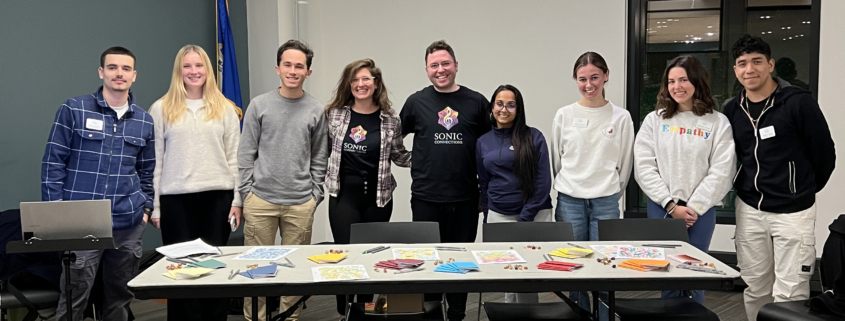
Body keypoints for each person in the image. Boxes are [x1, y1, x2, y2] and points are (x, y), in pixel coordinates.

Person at [723, 34, 835, 321]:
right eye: (742, 63)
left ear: (770, 64)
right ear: (735, 70)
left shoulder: (798, 103)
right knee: (755, 286)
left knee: (791, 290)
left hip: (793, 211)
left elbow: (824, 154)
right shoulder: (731, 110)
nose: (750, 69)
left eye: (757, 61)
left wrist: (802, 189)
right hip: (750, 209)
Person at [41, 46, 154, 321]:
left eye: (126, 69)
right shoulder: (74, 109)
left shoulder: (144, 120)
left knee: (119, 297)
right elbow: (52, 163)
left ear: (134, 76)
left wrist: (146, 209)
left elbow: (148, 171)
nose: (119, 73)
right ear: (101, 72)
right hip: (81, 222)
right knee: (74, 296)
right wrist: (56, 214)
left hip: (127, 223)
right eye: (113, 67)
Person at [148, 44, 242, 321]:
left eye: (199, 65)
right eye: (187, 66)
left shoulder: (225, 108)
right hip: (176, 201)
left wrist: (237, 200)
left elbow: (235, 159)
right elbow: (157, 161)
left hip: (218, 199)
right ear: (179, 70)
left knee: (213, 271)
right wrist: (155, 206)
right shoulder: (161, 108)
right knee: (180, 273)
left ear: (208, 70)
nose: (193, 71)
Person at [634, 55, 736, 306]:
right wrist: (670, 205)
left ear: (696, 81)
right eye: (671, 81)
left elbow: (723, 170)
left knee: (694, 273)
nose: (677, 86)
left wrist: (694, 208)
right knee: (666, 273)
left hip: (700, 211)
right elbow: (644, 166)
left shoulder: (717, 121)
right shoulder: (655, 120)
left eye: (683, 80)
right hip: (662, 208)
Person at [238, 39, 328, 321]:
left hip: (300, 203)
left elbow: (320, 157)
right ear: (277, 68)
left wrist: (315, 196)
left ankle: (290, 318)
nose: (293, 70)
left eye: (299, 66)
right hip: (260, 201)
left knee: (295, 270)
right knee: (256, 270)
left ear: (308, 72)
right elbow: (245, 153)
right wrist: (246, 193)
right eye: (287, 64)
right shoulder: (259, 105)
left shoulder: (315, 109)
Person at [399, 39, 489, 321]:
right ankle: (432, 313)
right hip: (426, 197)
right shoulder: (416, 102)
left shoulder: (476, 102)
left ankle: (458, 315)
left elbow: (491, 145)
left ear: (456, 66)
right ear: (426, 69)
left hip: (465, 198)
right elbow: (391, 139)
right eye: (434, 65)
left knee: (459, 262)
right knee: (429, 262)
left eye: (445, 63)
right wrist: (412, 160)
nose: (441, 70)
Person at [324, 58, 411, 319]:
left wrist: (432, 157)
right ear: (349, 85)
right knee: (345, 257)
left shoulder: (390, 119)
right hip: (344, 197)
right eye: (355, 80)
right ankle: (345, 313)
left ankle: (365, 312)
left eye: (366, 79)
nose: (360, 84)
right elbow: (322, 152)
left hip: (378, 198)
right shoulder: (335, 115)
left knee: (372, 258)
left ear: (376, 84)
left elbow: (399, 155)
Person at [551, 51, 634, 316]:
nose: (589, 85)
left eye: (595, 77)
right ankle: (581, 314)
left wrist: (609, 192)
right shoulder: (564, 115)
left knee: (604, 265)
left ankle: (604, 314)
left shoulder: (621, 117)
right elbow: (556, 160)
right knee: (574, 267)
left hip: (606, 202)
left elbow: (624, 165)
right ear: (575, 80)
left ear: (606, 76)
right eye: (582, 79)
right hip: (570, 201)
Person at [477, 84, 552, 303]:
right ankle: (512, 313)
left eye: (511, 105)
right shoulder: (483, 142)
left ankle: (527, 316)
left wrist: (525, 218)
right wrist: (488, 216)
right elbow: (484, 182)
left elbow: (543, 182)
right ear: (492, 107)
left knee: (527, 277)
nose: (504, 109)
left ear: (518, 109)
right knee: (506, 274)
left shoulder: (534, 137)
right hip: (499, 216)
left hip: (534, 215)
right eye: (500, 104)